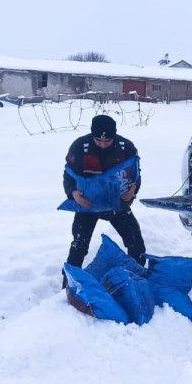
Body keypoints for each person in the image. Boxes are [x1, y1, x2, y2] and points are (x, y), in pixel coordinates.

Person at [63, 114, 146, 271]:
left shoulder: (126, 147)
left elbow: (136, 175)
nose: (102, 144)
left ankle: (137, 276)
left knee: (136, 244)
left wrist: (133, 190)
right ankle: (69, 282)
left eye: (107, 141)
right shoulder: (80, 146)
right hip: (87, 205)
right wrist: (73, 193)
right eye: (98, 140)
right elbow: (68, 175)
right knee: (78, 246)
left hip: (117, 204)